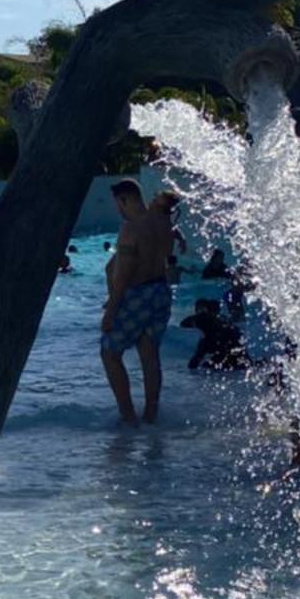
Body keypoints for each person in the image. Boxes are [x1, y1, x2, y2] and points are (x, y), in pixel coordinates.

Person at [100, 180, 176, 425]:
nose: (118, 210)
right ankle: (151, 415)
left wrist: (110, 311)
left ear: (124, 200)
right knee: (149, 353)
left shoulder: (130, 228)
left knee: (110, 353)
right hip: (161, 290)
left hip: (137, 293)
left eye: (118, 205)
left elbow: (123, 274)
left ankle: (128, 417)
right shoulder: (163, 222)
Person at [181, 298, 247, 371]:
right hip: (235, 352)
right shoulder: (221, 320)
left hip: (230, 353)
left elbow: (200, 353)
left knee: (207, 364)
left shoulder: (211, 322)